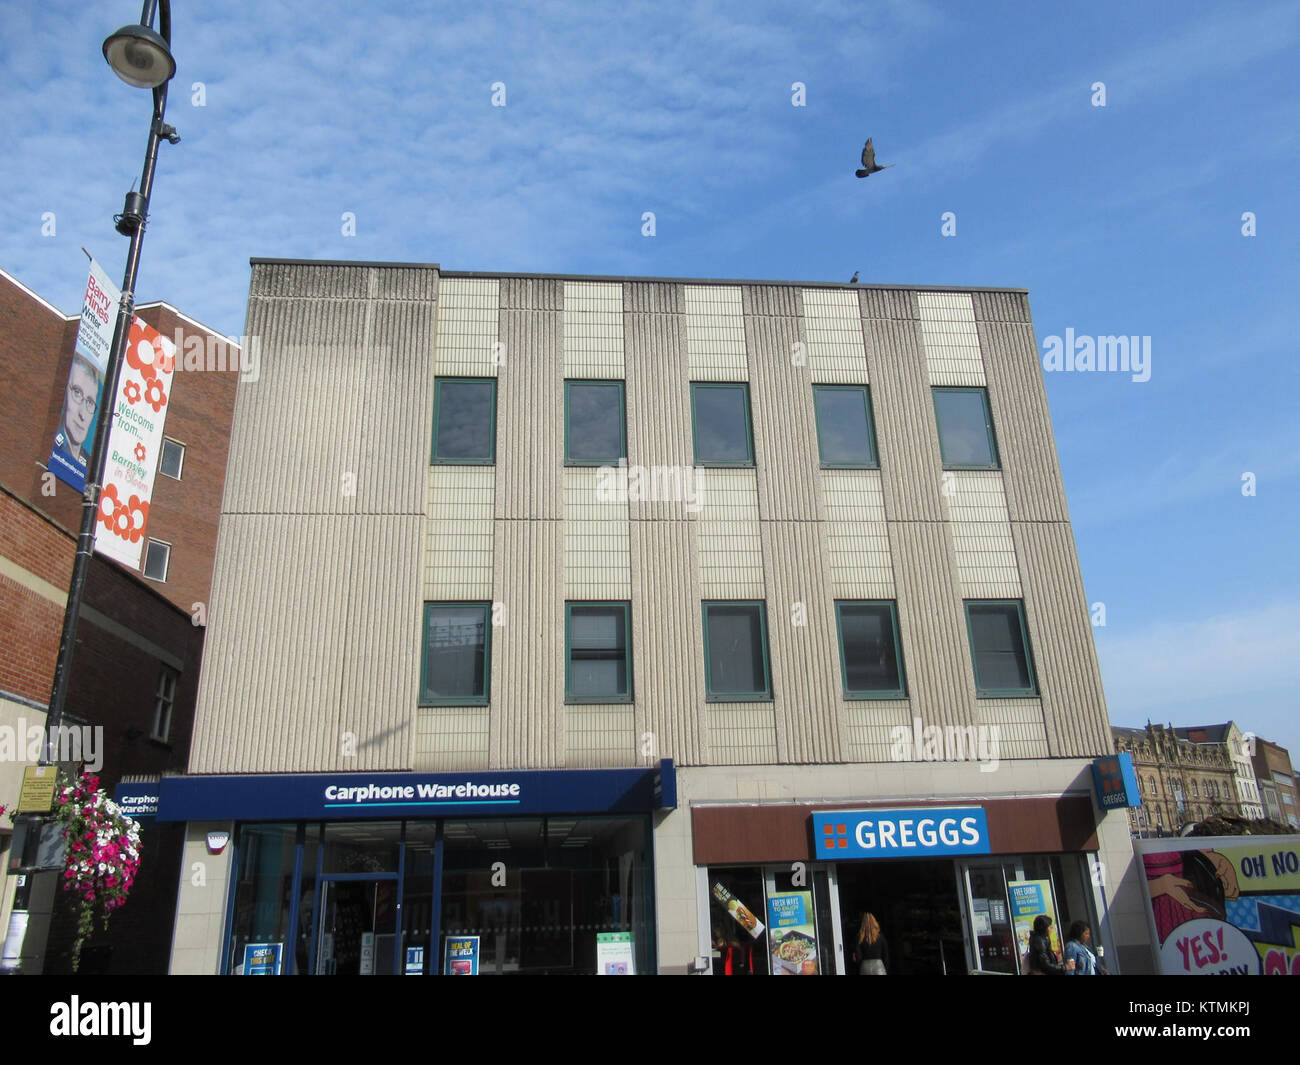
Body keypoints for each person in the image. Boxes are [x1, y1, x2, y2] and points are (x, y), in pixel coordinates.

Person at [53, 357, 101, 468]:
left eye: (90, 402)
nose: (82, 415)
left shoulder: (89, 465)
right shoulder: (54, 447)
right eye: (77, 393)